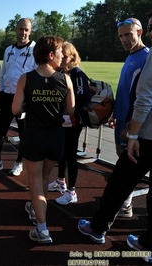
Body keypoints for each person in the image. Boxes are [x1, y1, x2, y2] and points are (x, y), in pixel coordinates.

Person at [77, 42, 152, 264]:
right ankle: (147, 244)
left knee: (119, 183)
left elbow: (145, 97)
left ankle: (97, 229)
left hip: (147, 136)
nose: (149, 33)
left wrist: (133, 134)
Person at [12, 35, 75, 244]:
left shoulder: (26, 78)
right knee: (45, 179)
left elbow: (15, 109)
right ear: (50, 55)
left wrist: (31, 104)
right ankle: (36, 210)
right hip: (55, 136)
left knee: (35, 184)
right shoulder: (65, 79)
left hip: (34, 135)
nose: (62, 57)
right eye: (59, 53)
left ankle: (42, 228)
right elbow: (70, 110)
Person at [107, 18, 149, 218]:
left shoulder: (145, 57)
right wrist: (117, 115)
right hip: (122, 119)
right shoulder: (131, 55)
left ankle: (126, 204)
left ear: (140, 33)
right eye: (121, 36)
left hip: (133, 123)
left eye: (128, 35)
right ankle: (125, 199)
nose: (124, 39)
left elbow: (144, 97)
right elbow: (125, 90)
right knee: (122, 159)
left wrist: (132, 125)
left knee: (129, 166)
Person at [0, 18, 38, 177]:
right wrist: (1, 91)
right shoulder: (9, 49)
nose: (23, 32)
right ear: (16, 29)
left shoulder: (35, 50)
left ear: (30, 31)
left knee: (24, 133)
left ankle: (19, 162)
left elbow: (37, 74)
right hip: (6, 95)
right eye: (20, 29)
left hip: (24, 99)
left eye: (26, 30)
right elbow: (3, 73)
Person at [48, 42, 92, 205]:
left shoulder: (77, 73)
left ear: (72, 57)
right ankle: (61, 181)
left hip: (73, 122)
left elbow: (84, 97)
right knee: (62, 153)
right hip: (63, 121)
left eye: (65, 56)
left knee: (70, 155)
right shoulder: (60, 72)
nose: (62, 59)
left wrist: (67, 105)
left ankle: (72, 191)